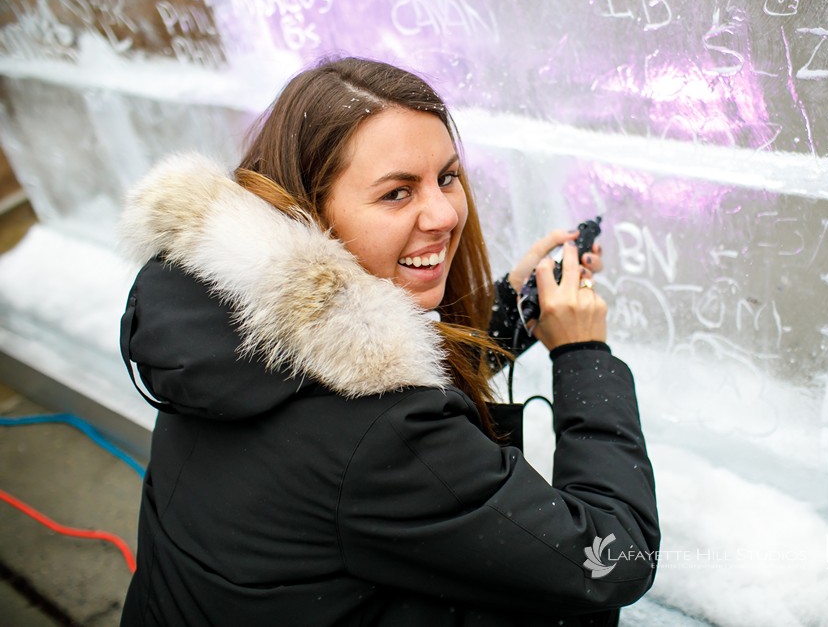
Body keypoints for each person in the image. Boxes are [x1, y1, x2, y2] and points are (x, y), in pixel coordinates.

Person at [118, 57, 658, 626]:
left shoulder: (221, 319)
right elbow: (613, 558)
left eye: (448, 177)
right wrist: (583, 356)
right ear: (309, 208)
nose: (446, 213)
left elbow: (349, 376)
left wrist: (518, 310)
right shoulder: (384, 437)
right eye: (397, 193)